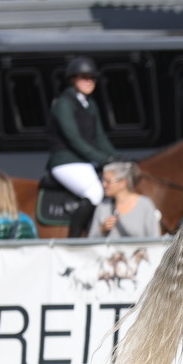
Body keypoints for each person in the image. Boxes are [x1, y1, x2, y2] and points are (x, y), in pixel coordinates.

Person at [45, 56, 122, 237]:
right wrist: (104, 159)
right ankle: (75, 239)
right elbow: (74, 139)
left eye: (92, 77)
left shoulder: (90, 103)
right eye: (84, 77)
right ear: (73, 79)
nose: (89, 81)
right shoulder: (64, 103)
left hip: (85, 161)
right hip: (66, 161)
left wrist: (117, 158)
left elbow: (100, 137)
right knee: (95, 191)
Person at [87, 162, 162, 238]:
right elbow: (90, 240)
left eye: (108, 181)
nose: (104, 184)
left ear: (123, 182)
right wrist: (102, 230)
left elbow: (155, 238)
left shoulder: (145, 204)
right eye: (103, 181)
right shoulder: (102, 207)